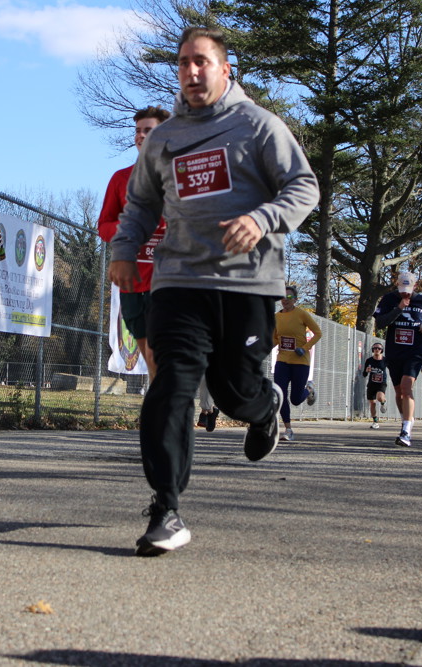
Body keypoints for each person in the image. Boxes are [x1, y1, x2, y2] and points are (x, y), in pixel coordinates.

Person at [109, 26, 320, 556]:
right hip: (178, 280)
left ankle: (264, 407)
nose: (191, 70)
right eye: (183, 62)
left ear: (225, 69)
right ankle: (166, 507)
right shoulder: (164, 138)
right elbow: (140, 204)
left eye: (201, 61)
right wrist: (123, 249)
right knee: (171, 384)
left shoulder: (258, 125)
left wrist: (262, 218)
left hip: (247, 282)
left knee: (231, 391)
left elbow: (304, 187)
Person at [98, 106, 171, 381]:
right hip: (131, 280)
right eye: (138, 131)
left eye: (148, 130)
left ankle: (167, 402)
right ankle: (168, 396)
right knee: (148, 350)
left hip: (168, 278)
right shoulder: (121, 179)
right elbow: (104, 226)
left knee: (160, 346)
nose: (140, 136)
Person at [373, 271, 422, 447]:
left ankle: (406, 431)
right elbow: (380, 323)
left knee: (406, 387)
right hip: (395, 352)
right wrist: (399, 308)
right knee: (399, 391)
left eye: (408, 290)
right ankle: (406, 420)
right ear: (397, 285)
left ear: (415, 286)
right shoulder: (388, 299)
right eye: (402, 289)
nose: (405, 293)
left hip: (415, 352)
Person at [272, 285, 321, 441]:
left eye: (289, 297)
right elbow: (275, 338)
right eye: (283, 296)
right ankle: (288, 430)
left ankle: (309, 389)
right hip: (282, 360)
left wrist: (305, 348)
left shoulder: (301, 314)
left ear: (295, 299)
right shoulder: (276, 317)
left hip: (300, 361)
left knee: (295, 399)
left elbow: (318, 333)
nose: (285, 299)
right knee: (280, 395)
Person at [362, 343, 389, 429]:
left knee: (379, 397)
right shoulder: (369, 360)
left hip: (381, 383)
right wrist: (366, 371)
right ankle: (375, 422)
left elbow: (392, 369)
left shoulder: (385, 360)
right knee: (372, 403)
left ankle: (383, 402)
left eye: (379, 348)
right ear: (373, 350)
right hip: (372, 383)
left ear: (382, 350)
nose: (377, 349)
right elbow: (364, 374)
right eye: (375, 348)